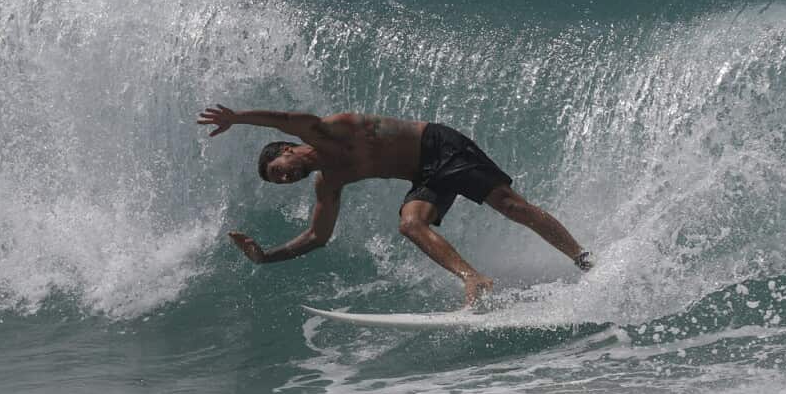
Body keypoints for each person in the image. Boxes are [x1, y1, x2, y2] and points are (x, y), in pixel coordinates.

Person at [198, 105, 593, 306]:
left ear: (286, 150)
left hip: (441, 146)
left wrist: (238, 117)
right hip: (424, 177)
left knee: (511, 206)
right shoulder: (329, 181)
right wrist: (266, 258)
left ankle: (581, 258)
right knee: (410, 224)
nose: (283, 179)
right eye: (277, 181)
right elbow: (318, 236)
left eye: (278, 170)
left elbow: (283, 118)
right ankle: (475, 279)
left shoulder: (327, 130)